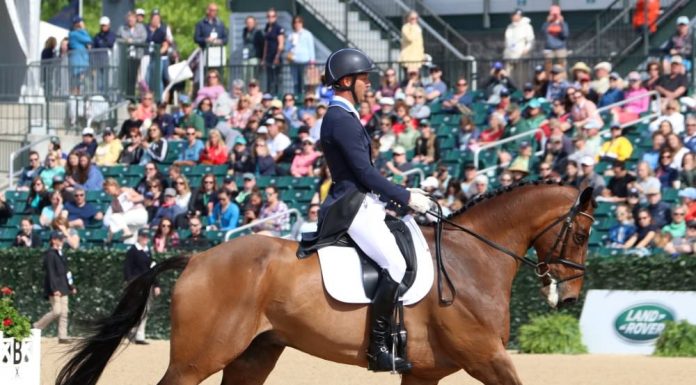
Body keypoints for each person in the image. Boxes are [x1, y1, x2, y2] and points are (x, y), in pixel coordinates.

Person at [305, 48, 431, 372]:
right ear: (346, 80)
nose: (369, 85)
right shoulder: (339, 118)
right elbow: (364, 174)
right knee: (396, 263)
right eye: (364, 79)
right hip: (351, 206)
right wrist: (403, 195)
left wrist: (397, 198)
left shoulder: (344, 116)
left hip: (362, 201)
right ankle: (378, 348)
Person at [33, 231, 76, 344]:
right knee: (57, 311)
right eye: (59, 239)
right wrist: (54, 288)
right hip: (55, 288)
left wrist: (71, 286)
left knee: (64, 312)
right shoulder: (50, 255)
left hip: (64, 286)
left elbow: (67, 271)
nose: (62, 241)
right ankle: (37, 326)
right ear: (53, 240)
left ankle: (63, 336)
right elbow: (51, 273)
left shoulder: (61, 253)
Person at [124, 228, 161, 344]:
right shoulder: (133, 251)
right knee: (135, 309)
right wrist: (130, 282)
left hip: (147, 284)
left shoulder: (148, 251)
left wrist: (156, 284)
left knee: (145, 309)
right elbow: (127, 268)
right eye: (143, 236)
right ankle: (131, 331)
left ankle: (139, 335)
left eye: (147, 236)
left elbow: (152, 269)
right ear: (139, 236)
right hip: (137, 284)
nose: (145, 238)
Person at [503, 9, 534, 82]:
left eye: (515, 15)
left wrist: (526, 49)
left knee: (521, 77)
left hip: (521, 56)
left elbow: (530, 40)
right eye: (512, 15)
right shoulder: (509, 27)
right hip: (509, 56)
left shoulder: (527, 26)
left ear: (520, 16)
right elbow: (507, 41)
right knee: (508, 77)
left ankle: (521, 92)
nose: (513, 17)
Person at [287, 15, 316, 95]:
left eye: (299, 22)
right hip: (294, 61)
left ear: (302, 23)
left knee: (305, 81)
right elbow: (287, 48)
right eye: (295, 22)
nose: (297, 24)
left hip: (305, 61)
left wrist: (312, 63)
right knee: (296, 81)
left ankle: (304, 97)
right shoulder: (291, 35)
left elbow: (311, 49)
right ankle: (297, 96)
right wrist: (291, 42)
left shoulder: (307, 34)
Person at [263, 8, 285, 95]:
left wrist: (277, 56)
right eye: (268, 16)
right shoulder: (267, 28)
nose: (270, 18)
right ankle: (269, 95)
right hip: (268, 56)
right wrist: (264, 58)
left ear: (276, 17)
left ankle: (277, 95)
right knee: (269, 78)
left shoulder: (278, 28)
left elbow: (281, 44)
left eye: (272, 16)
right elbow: (266, 44)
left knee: (276, 78)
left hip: (275, 56)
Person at [68, 15, 91, 94]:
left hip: (82, 60)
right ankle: (75, 95)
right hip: (77, 60)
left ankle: (78, 95)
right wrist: (83, 29)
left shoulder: (79, 33)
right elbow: (88, 39)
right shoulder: (74, 34)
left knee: (80, 81)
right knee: (76, 81)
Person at [541, 5, 569, 71]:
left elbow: (565, 35)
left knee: (562, 66)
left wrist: (561, 23)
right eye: (553, 14)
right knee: (548, 66)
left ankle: (562, 79)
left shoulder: (563, 23)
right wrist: (547, 22)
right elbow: (543, 33)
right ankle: (549, 80)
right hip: (549, 48)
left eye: (556, 14)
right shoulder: (546, 24)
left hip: (560, 48)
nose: (555, 16)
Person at [242, 16, 264, 80]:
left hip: (254, 57)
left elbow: (262, 45)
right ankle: (246, 90)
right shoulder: (245, 31)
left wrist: (261, 58)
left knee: (253, 77)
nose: (249, 24)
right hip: (246, 56)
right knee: (245, 75)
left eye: (251, 22)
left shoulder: (258, 32)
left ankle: (254, 89)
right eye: (248, 22)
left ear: (254, 23)